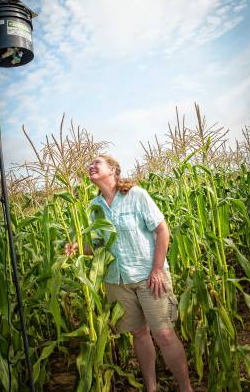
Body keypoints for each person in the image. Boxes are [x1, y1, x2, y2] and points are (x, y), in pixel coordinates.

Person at [65, 154, 193, 392]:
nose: (91, 165)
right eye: (89, 163)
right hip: (117, 280)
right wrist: (77, 248)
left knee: (164, 334)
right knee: (139, 334)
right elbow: (99, 245)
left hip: (149, 277)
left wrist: (156, 270)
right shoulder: (94, 207)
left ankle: (186, 388)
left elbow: (163, 231)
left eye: (97, 162)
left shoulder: (136, 195)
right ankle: (151, 388)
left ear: (113, 169)